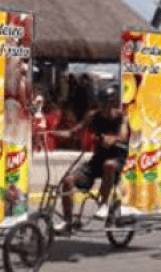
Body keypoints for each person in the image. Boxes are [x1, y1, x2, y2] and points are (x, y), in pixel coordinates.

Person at [54, 87, 128, 233]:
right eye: (102, 103)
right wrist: (51, 133)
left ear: (114, 103)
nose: (104, 107)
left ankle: (104, 204)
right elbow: (74, 132)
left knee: (109, 165)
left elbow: (123, 135)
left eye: (108, 103)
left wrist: (113, 139)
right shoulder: (92, 115)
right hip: (97, 160)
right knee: (68, 181)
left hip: (116, 159)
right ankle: (67, 221)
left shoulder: (121, 117)